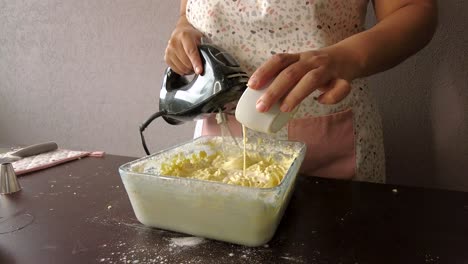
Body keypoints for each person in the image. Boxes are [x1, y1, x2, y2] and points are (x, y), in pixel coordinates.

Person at [164, 0, 438, 183]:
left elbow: (414, 8)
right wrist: (184, 24)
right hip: (221, 136)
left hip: (331, 144)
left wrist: (346, 57)